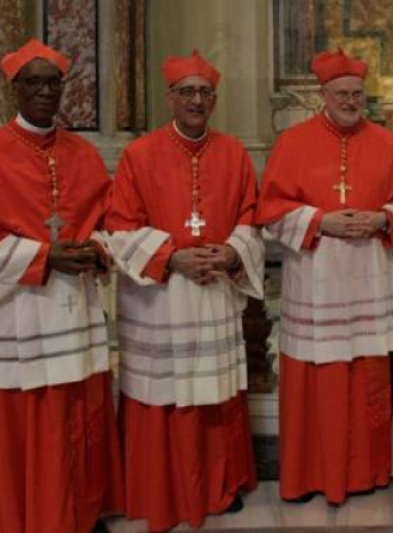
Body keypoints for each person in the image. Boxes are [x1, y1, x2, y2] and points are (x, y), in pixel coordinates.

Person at [104, 50, 264, 532]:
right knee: (165, 394)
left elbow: (251, 218)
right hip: (162, 298)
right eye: (187, 92)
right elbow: (118, 227)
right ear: (170, 97)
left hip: (213, 291)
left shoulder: (233, 152)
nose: (197, 100)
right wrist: (170, 257)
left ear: (214, 99)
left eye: (205, 92)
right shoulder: (139, 154)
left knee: (213, 395)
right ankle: (162, 488)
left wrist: (233, 252)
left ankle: (219, 484)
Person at [257, 48, 393, 505]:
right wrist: (319, 221)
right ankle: (311, 475)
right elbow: (270, 210)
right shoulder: (293, 143)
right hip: (316, 275)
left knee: (367, 374)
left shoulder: (387, 144)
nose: (350, 101)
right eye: (342, 94)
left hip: (368, 274)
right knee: (316, 376)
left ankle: (365, 472)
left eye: (357, 94)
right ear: (322, 95)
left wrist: (383, 219)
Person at [0, 39, 123, 533]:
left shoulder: (83, 152)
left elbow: (110, 221)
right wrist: (45, 255)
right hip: (22, 306)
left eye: (53, 83)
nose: (46, 93)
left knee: (81, 411)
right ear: (14, 92)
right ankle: (31, 512)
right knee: (35, 416)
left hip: (76, 305)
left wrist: (96, 247)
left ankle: (80, 509)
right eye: (34, 83)